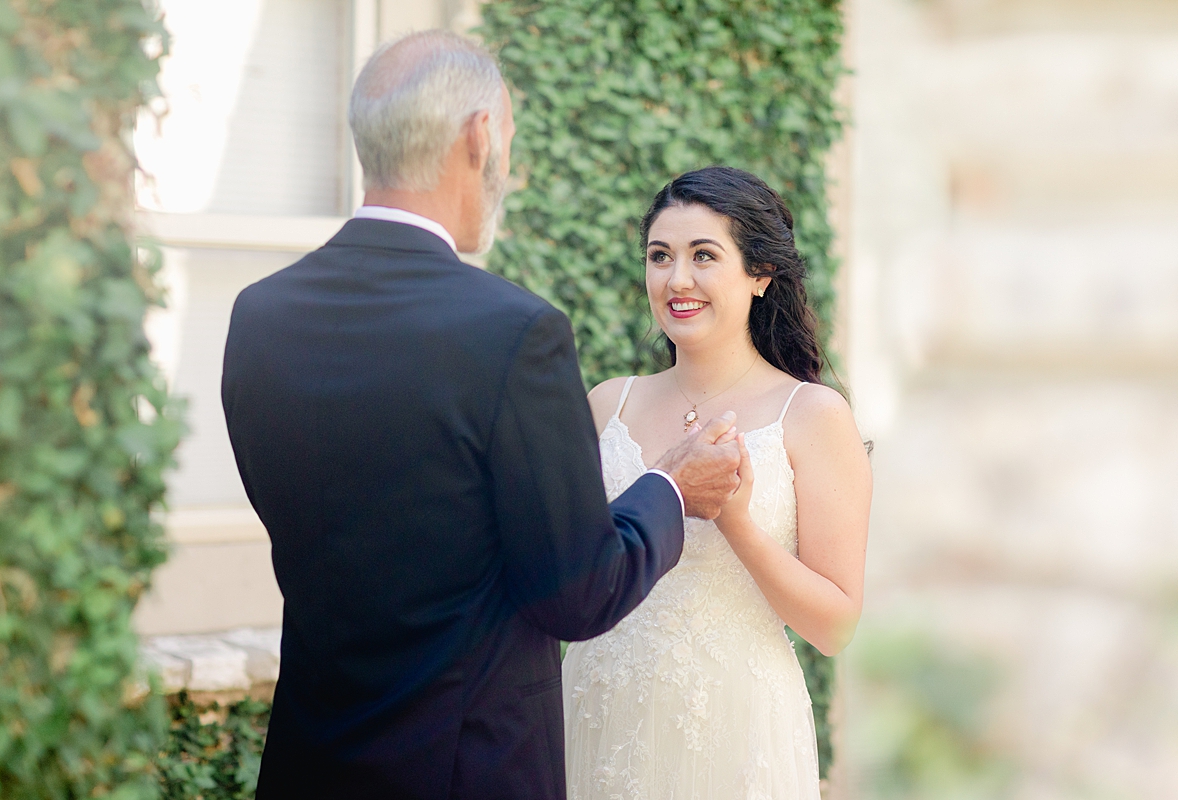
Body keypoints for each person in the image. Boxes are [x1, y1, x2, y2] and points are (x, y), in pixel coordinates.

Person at [220, 32, 743, 800]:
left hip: (307, 763)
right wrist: (669, 488)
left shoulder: (259, 315)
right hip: (466, 772)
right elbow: (580, 592)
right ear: (478, 137)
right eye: (508, 139)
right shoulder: (513, 332)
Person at [561, 166, 873, 799]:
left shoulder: (811, 416)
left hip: (736, 727)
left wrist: (736, 523)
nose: (677, 280)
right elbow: (569, 573)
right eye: (660, 256)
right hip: (598, 710)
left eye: (704, 255)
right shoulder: (605, 406)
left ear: (759, 275)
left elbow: (835, 625)